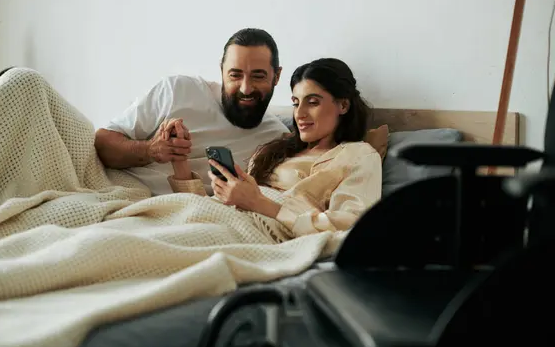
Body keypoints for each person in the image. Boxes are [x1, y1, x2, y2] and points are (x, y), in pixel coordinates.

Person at [166, 58, 382, 240]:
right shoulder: (275, 150)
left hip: (256, 232)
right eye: (296, 103)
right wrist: (179, 161)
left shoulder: (359, 154)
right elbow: (210, 207)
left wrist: (257, 202)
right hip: (222, 218)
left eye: (313, 102)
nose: (300, 114)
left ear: (343, 105)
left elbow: (349, 226)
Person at [94, 28, 289, 196]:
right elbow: (103, 142)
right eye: (235, 75)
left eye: (258, 76)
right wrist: (150, 150)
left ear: (277, 76)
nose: (245, 88)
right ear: (221, 70)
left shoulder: (279, 140)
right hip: (116, 188)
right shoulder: (179, 90)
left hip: (184, 209)